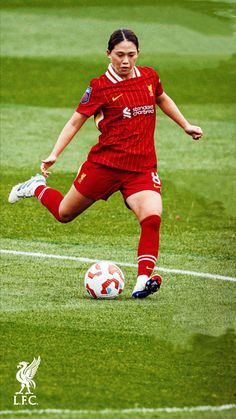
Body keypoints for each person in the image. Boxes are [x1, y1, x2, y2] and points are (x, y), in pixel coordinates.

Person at [8, 29, 203, 298]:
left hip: (142, 168)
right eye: (120, 55)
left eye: (131, 55)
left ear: (138, 54)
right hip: (105, 166)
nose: (125, 61)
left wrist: (185, 124)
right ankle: (36, 187)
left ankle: (142, 281)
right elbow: (76, 120)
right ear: (108, 54)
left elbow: (161, 98)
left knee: (152, 218)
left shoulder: (149, 77)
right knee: (64, 214)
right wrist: (55, 154)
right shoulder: (100, 86)